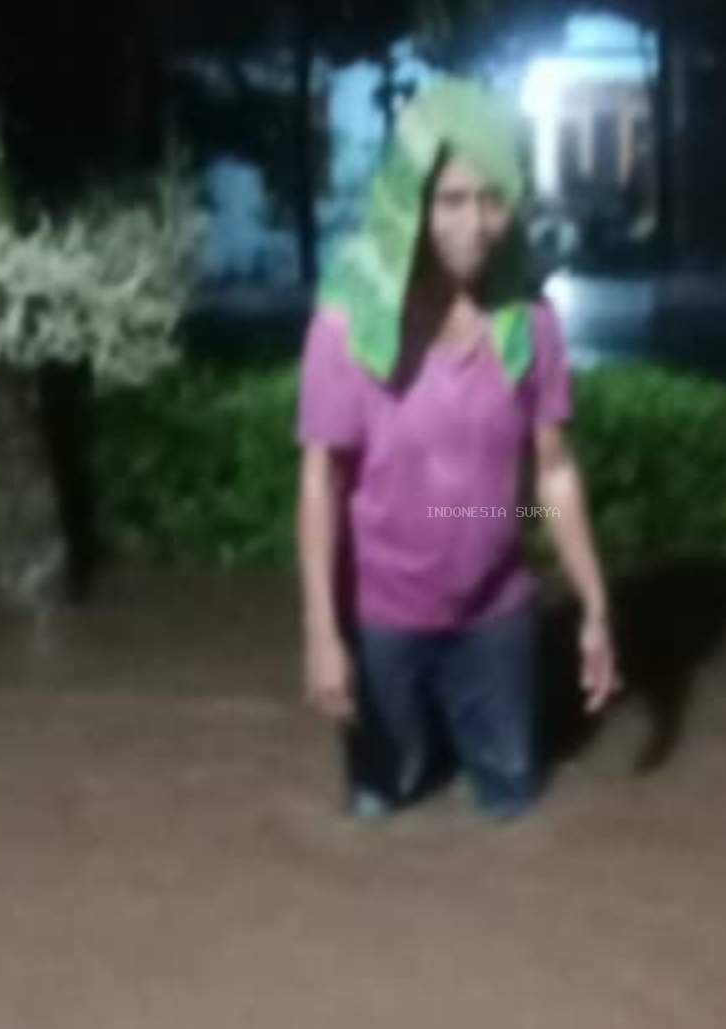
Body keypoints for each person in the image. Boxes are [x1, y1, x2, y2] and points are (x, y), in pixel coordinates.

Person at [295, 77, 620, 820]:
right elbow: (322, 481)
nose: (475, 224)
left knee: (514, 803)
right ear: (407, 203)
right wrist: (321, 632)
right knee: (384, 809)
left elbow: (554, 473)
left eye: (492, 198)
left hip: (496, 615)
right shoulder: (347, 329)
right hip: (382, 620)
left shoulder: (529, 325)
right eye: (450, 200)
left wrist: (596, 605)